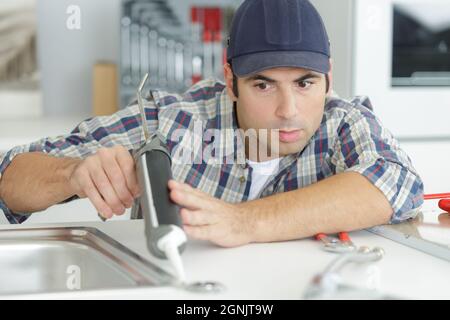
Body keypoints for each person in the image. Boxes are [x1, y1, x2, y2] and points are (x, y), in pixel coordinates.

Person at [0, 0, 423, 248]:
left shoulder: (343, 122)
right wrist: (72, 172)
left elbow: (397, 182)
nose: (289, 109)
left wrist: (245, 221)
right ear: (230, 81)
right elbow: (8, 177)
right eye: (263, 85)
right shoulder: (170, 120)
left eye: (305, 83)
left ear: (328, 77)